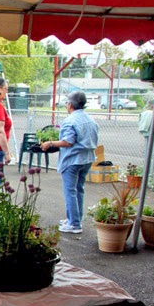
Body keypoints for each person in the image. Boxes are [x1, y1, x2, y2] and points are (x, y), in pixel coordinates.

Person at [42, 91, 99, 234]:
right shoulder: (91, 119)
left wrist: (50, 143)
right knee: (79, 189)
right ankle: (75, 219)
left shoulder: (70, 121)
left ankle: (74, 224)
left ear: (70, 105)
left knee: (70, 191)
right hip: (87, 159)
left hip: (72, 160)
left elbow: (68, 141)